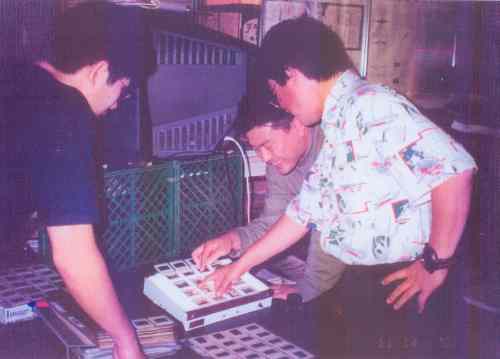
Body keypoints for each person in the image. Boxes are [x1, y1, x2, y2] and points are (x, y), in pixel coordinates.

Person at [204, 16, 476, 356]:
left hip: (399, 280)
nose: (282, 104)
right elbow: (300, 215)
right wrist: (238, 266)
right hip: (363, 281)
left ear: (292, 75)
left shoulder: (372, 104)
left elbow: (454, 171)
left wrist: (435, 264)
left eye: (277, 92)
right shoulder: (337, 124)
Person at [7, 2, 153, 358]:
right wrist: (125, 338)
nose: (119, 102)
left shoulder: (15, 75)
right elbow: (74, 256)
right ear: (99, 71)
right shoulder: (65, 111)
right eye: (123, 87)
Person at [192, 100, 346, 303]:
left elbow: (331, 230)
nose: (264, 157)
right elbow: (273, 223)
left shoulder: (335, 148)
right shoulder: (280, 165)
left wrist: (309, 287)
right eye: (256, 149)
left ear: (298, 126)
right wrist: (231, 240)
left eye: (267, 145)